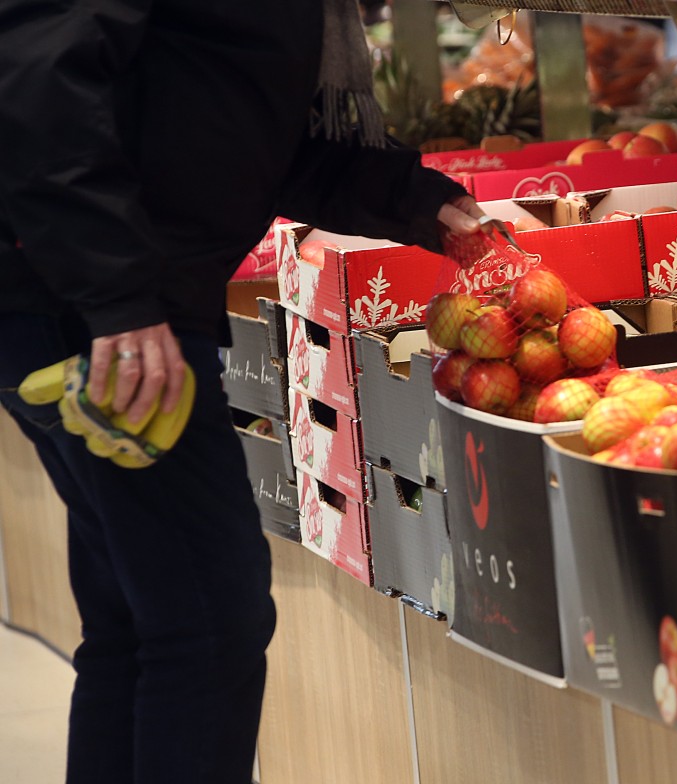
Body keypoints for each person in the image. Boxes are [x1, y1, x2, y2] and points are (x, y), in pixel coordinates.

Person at [0, 1, 482, 782]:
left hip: (89, 294)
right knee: (211, 621)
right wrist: (118, 299)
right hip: (100, 309)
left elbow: (225, 117)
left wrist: (407, 197)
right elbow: (37, 76)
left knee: (136, 615)